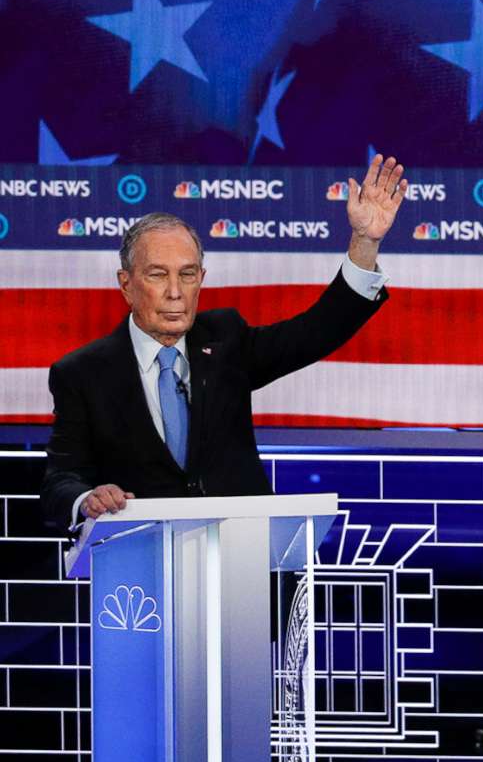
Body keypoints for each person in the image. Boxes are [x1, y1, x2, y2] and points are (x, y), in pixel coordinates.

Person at [39, 155, 411, 532]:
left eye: (187, 275)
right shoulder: (82, 373)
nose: (174, 292)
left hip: (240, 555)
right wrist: (88, 499)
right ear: (126, 284)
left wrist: (365, 242)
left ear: (201, 277)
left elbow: (317, 331)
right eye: (157, 275)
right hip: (140, 569)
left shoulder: (226, 340)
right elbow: (60, 482)